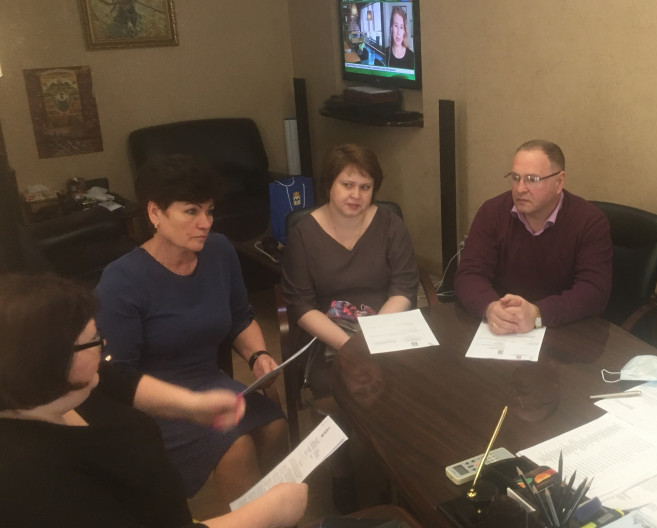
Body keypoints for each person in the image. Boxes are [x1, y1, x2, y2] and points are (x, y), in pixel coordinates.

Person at [0, 272, 308, 528]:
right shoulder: (31, 479)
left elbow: (120, 381)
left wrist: (192, 406)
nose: (103, 345)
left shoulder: (66, 388)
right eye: (92, 341)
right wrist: (269, 512)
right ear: (52, 361)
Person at [95, 155, 288, 502]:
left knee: (275, 427)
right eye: (191, 211)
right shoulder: (122, 280)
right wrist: (190, 405)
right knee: (237, 447)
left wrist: (258, 355)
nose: (205, 223)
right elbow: (117, 377)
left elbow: (240, 317)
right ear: (155, 213)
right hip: (155, 400)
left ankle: (272, 513)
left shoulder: (219, 251)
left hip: (209, 380)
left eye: (209, 211)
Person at [455, 139, 613, 334]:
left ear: (559, 182)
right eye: (515, 177)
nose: (520, 188)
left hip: (566, 333)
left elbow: (594, 292)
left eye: (532, 179)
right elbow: (469, 274)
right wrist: (490, 307)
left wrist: (538, 314)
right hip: (503, 331)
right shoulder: (492, 212)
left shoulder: (589, 221)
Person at [281, 144, 419, 352]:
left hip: (386, 329)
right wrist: (350, 347)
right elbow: (301, 305)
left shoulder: (391, 225)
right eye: (347, 185)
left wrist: (375, 337)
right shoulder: (302, 234)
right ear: (329, 185)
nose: (356, 195)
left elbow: (404, 288)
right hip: (328, 337)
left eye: (365, 187)